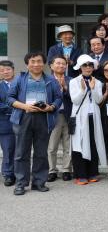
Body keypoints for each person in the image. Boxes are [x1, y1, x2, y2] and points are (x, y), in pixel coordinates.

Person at [8, 52, 62, 196]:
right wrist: (24, 106)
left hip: (44, 118)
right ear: (27, 64)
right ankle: (21, 183)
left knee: (41, 153)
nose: (36, 64)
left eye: (39, 61)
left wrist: (51, 107)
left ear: (44, 64)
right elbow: (10, 98)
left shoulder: (51, 80)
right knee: (21, 153)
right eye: (33, 61)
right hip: (24, 117)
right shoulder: (20, 79)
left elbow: (58, 98)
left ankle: (39, 182)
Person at [69, 55, 106, 185]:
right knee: (79, 144)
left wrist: (93, 88)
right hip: (79, 117)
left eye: (90, 65)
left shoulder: (98, 82)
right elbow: (75, 100)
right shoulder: (74, 81)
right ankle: (80, 174)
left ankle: (93, 172)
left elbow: (98, 100)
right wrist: (83, 90)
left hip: (93, 116)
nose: (88, 67)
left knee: (93, 143)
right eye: (85, 65)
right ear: (80, 67)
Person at [46, 56, 73, 182]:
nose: (61, 65)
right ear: (51, 66)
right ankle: (52, 170)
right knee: (52, 145)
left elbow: (75, 97)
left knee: (68, 144)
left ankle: (66, 170)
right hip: (53, 115)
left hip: (68, 114)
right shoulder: (47, 80)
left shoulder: (71, 80)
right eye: (58, 63)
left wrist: (65, 87)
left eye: (63, 63)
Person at [0, 60, 16, 186]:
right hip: (5, 123)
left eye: (8, 69)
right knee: (8, 149)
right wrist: (16, 106)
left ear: (13, 70)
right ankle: (8, 174)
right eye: (2, 70)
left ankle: (18, 172)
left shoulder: (20, 84)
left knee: (20, 149)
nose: (5, 72)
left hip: (22, 122)